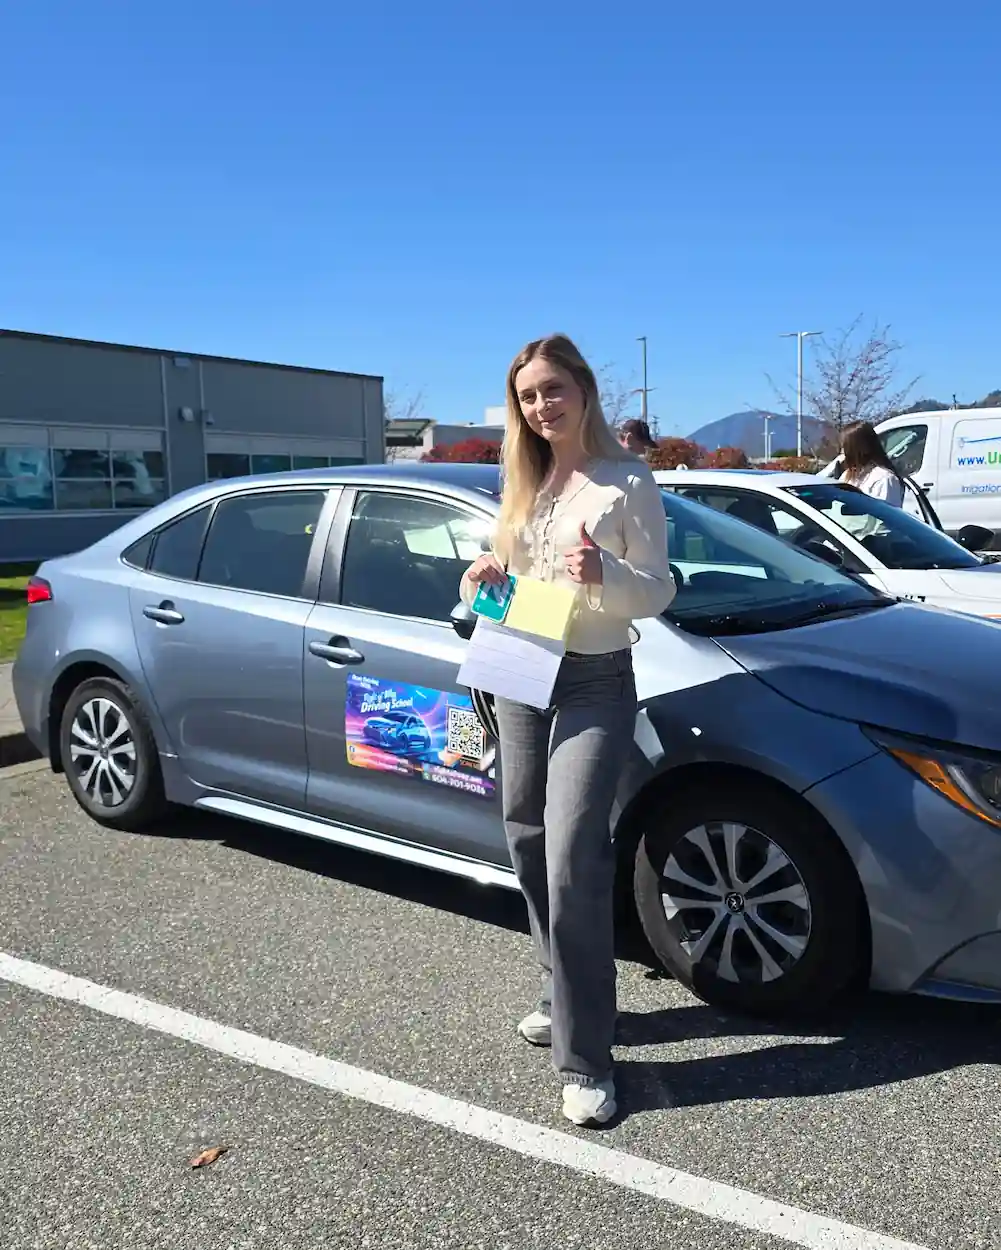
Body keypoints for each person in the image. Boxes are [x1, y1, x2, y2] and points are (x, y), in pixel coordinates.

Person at [459, 334, 676, 1127]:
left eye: (552, 390)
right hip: (520, 662)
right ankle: (561, 987)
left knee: (572, 850)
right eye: (527, 397)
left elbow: (657, 591)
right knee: (522, 833)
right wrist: (479, 577)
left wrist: (607, 576)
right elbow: (500, 571)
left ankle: (587, 1058)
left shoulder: (627, 480)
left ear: (582, 390)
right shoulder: (523, 479)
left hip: (591, 678)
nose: (540, 407)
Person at [838, 421, 905, 507]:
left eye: (845, 447)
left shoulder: (884, 479)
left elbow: (887, 515)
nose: (842, 452)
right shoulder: (847, 476)